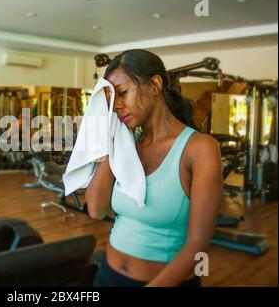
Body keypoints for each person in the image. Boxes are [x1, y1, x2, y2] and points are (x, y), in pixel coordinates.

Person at [87, 49, 223, 287]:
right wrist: (114, 142)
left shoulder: (199, 149)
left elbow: (198, 245)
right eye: (111, 100)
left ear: (155, 85)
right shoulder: (128, 147)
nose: (117, 106)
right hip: (107, 277)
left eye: (123, 93)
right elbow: (96, 209)